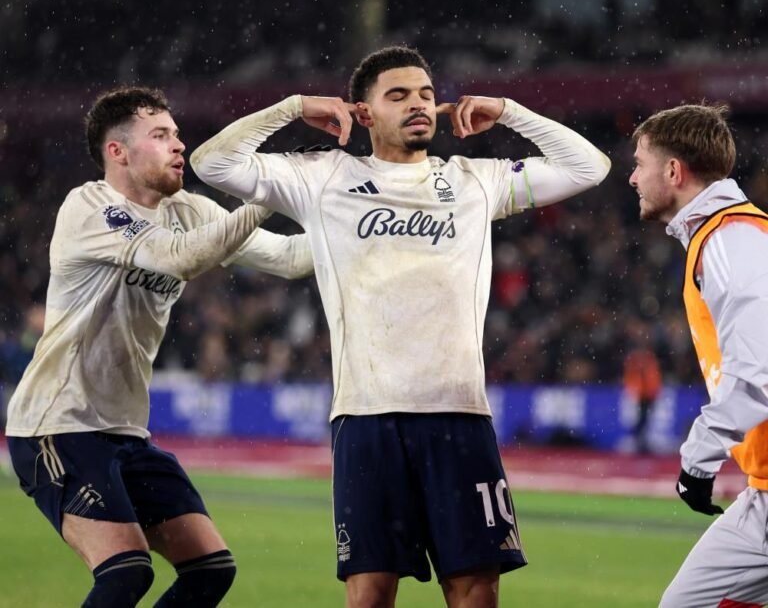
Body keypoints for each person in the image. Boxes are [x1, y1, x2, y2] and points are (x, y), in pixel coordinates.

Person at [192, 45, 610, 608]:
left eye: (426, 94)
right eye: (398, 96)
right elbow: (212, 163)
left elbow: (590, 167)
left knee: (476, 591)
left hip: (459, 413)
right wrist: (292, 107)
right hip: (367, 414)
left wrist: (509, 111)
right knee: (369, 593)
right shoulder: (322, 177)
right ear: (362, 114)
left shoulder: (474, 181)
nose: (418, 105)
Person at [4, 86, 313, 608]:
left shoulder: (187, 208)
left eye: (176, 132)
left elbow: (285, 258)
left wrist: (362, 231)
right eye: (161, 135)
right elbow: (178, 259)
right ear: (117, 151)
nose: (179, 145)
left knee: (210, 570)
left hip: (125, 432)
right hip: (56, 426)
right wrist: (266, 200)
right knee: (126, 572)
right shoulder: (90, 207)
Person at [629, 103, 768, 607]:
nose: (631, 177)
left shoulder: (731, 239)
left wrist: (698, 458)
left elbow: (759, 369)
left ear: (673, 171)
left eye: (640, 163)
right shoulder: (727, 236)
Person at [622, 321, 663, 453]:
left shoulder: (646, 358)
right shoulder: (639, 358)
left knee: (644, 418)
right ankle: (637, 440)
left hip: (647, 393)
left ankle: (639, 440)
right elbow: (635, 376)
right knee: (642, 418)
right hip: (642, 393)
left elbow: (651, 376)